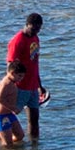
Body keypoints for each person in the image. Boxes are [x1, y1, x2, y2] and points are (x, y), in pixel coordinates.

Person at [5, 13, 50, 141]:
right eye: (34, 28)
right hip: (20, 87)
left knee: (34, 119)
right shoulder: (17, 41)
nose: (36, 31)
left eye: (39, 29)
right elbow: (10, 66)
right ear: (27, 24)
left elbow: (35, 63)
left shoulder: (35, 38)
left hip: (33, 86)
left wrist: (39, 85)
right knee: (7, 116)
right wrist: (10, 86)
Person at [0, 60, 28, 147]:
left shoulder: (9, 81)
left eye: (22, 76)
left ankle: (0, 139)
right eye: (19, 76)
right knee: (8, 144)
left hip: (9, 114)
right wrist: (13, 108)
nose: (21, 78)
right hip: (1, 116)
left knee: (20, 136)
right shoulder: (6, 83)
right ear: (12, 73)